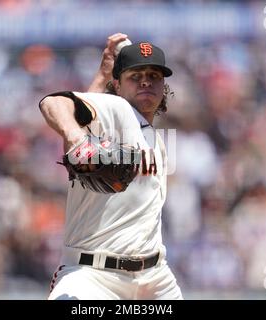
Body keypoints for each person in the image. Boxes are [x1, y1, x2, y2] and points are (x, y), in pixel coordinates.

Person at [38, 33, 183, 300]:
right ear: (117, 85)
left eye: (154, 76)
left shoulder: (157, 140)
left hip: (155, 277)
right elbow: (53, 103)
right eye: (135, 76)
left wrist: (102, 76)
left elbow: (88, 120)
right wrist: (76, 138)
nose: (145, 82)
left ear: (164, 85)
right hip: (94, 276)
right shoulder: (117, 109)